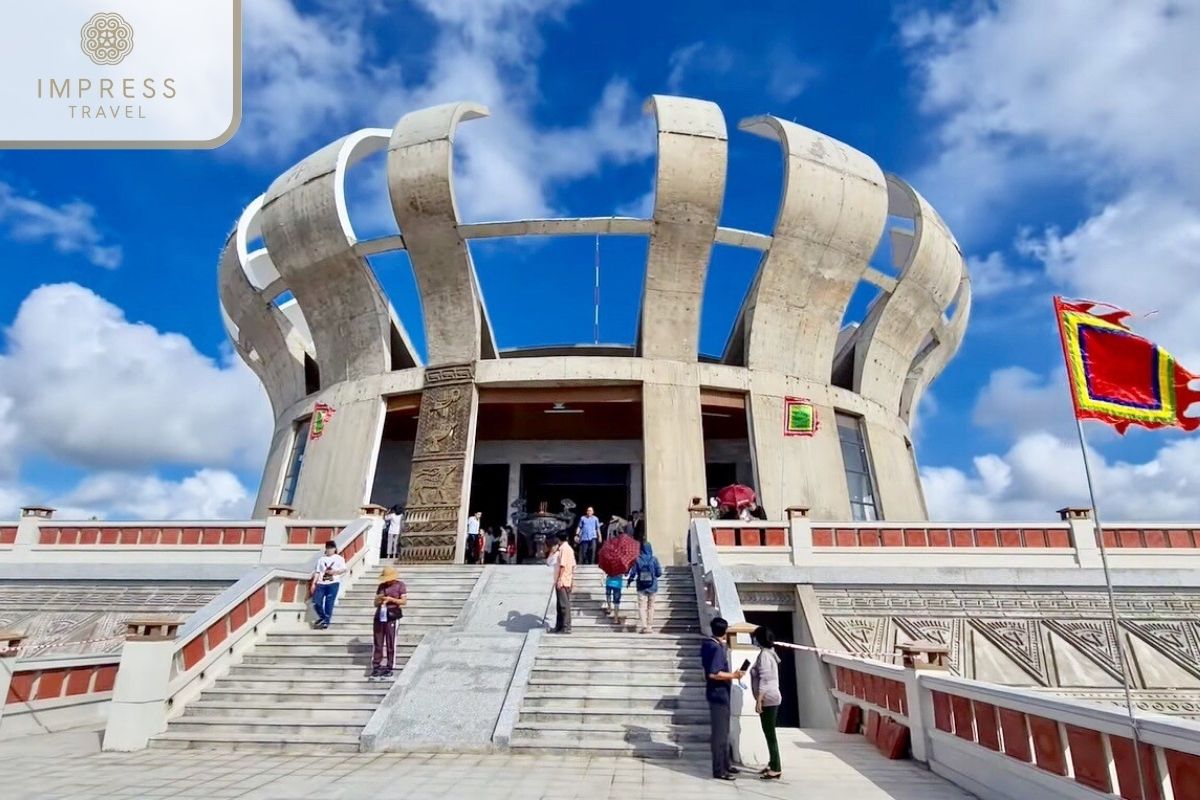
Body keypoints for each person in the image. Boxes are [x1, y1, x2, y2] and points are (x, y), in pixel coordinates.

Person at [702, 616, 745, 780]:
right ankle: (719, 769)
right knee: (720, 734)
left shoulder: (709, 644)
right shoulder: (715, 648)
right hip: (718, 693)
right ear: (724, 631)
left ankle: (726, 763)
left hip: (718, 693)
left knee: (724, 731)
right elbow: (714, 673)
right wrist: (734, 675)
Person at [751, 626, 783, 779]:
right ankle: (772, 763)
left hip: (768, 698)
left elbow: (765, 678)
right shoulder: (770, 653)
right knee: (769, 732)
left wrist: (759, 700)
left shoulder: (764, 655)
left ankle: (776, 767)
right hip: (772, 695)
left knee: (770, 734)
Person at [371, 567, 407, 679]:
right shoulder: (381, 586)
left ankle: (390, 665)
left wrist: (391, 599)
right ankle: (376, 665)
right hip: (380, 615)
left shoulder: (400, 585)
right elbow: (375, 602)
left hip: (392, 615)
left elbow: (403, 601)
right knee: (378, 641)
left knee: (391, 642)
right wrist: (380, 599)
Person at [627, 540, 662, 634]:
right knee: (651, 607)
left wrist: (629, 580)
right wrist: (653, 575)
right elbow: (659, 573)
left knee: (642, 607)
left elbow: (633, 572)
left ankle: (644, 626)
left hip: (641, 586)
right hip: (653, 586)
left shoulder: (637, 559)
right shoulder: (654, 559)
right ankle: (650, 626)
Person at [311, 540, 347, 629]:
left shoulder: (339, 558)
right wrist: (313, 583)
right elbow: (318, 572)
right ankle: (323, 617)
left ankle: (326, 621)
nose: (329, 550)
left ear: (335, 549)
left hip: (333, 583)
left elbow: (343, 569)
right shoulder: (321, 559)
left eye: (331, 548)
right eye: (328, 548)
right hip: (321, 583)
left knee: (329, 602)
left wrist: (334, 572)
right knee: (316, 601)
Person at [547, 530, 576, 634]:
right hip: (567, 579)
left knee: (564, 605)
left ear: (558, 539)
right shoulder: (569, 549)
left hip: (563, 580)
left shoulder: (564, 549)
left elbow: (563, 565)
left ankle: (566, 627)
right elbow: (573, 565)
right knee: (560, 605)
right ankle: (559, 626)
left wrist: (559, 579)